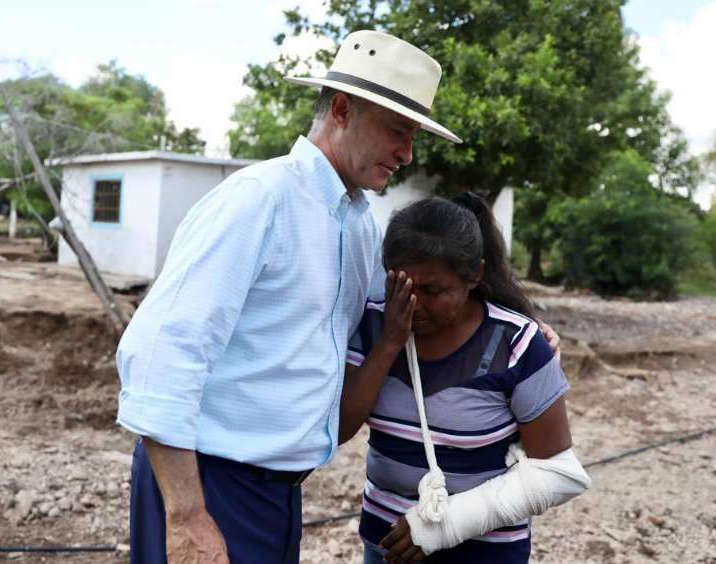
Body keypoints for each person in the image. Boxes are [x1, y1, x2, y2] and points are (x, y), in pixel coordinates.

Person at [115, 30, 468, 564]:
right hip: (211, 481)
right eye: (398, 130)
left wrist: (520, 322)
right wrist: (187, 515)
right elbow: (162, 351)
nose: (407, 152)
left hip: (279, 493)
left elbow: (416, 301)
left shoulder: (360, 229)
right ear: (343, 110)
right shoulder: (261, 200)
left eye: (413, 134)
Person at [340, 194, 589, 564]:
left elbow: (559, 473)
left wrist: (443, 526)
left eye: (433, 291)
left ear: (474, 275)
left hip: (483, 552)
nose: (414, 304)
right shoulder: (375, 325)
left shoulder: (516, 342)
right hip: (384, 545)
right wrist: (391, 340)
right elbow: (340, 428)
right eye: (401, 285)